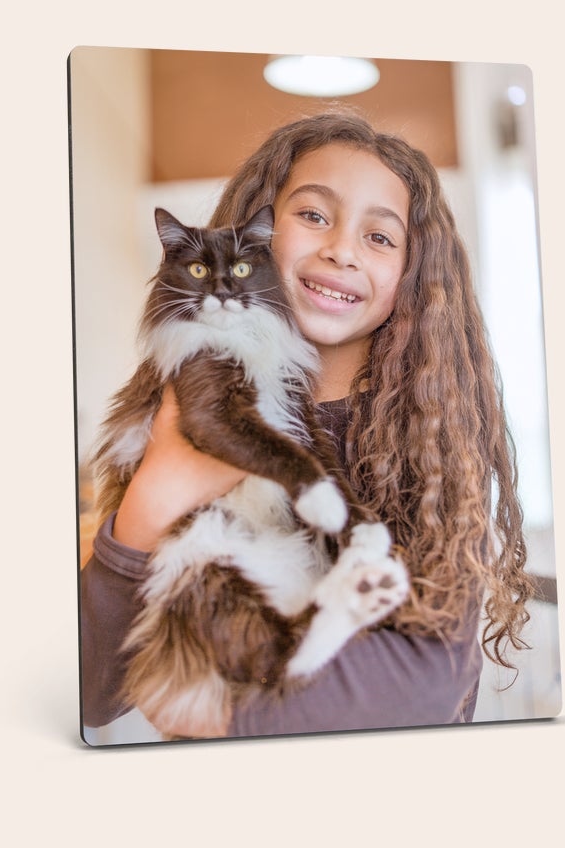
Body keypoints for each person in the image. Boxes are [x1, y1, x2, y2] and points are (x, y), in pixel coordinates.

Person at [80, 110, 534, 740]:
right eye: (314, 215)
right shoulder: (171, 406)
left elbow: (422, 691)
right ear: (258, 232)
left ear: (413, 274)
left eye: (380, 237)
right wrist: (153, 497)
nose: (340, 250)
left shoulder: (429, 452)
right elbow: (86, 695)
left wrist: (216, 712)